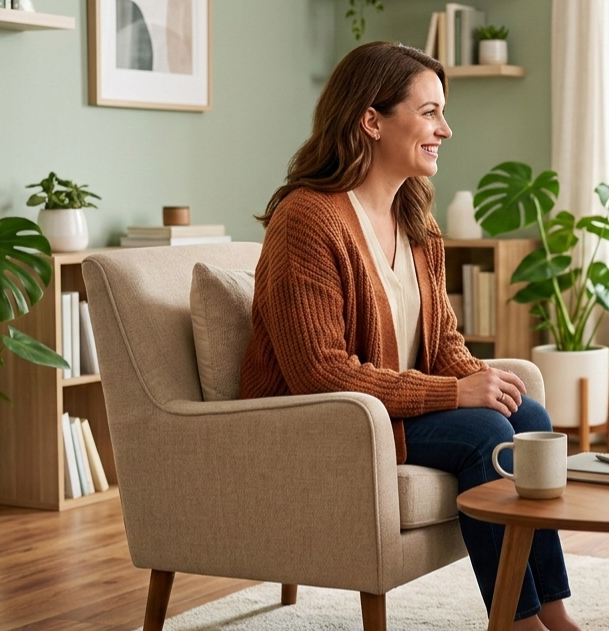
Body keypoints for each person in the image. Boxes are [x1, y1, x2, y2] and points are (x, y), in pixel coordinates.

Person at [240, 41, 583, 631]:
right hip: (321, 418)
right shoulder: (307, 219)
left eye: (442, 113)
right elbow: (319, 372)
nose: (445, 130)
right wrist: (456, 396)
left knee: (529, 419)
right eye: (429, 112)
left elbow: (442, 342)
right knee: (483, 432)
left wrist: (479, 378)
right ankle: (516, 622)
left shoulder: (416, 220)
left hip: (386, 410)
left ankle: (552, 610)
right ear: (371, 120)